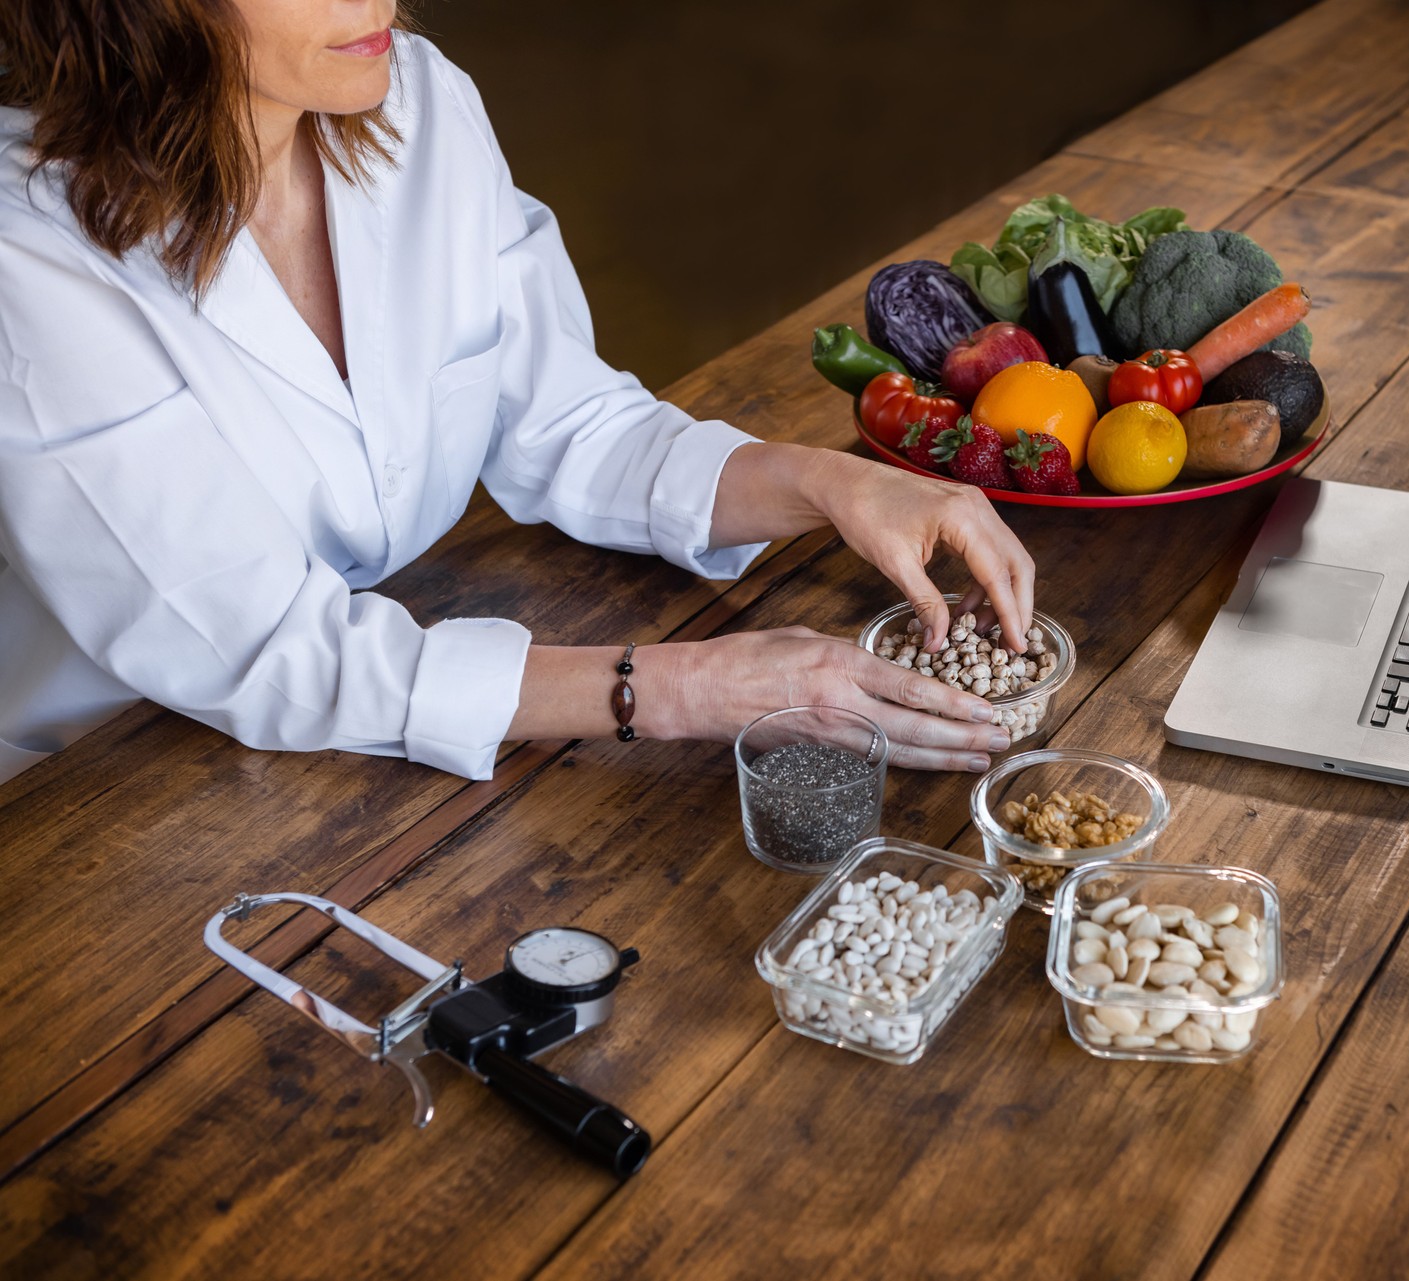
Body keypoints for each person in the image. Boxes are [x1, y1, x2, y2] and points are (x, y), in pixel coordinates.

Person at [0, 1, 1034, 788]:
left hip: (381, 728)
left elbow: (571, 421)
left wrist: (831, 485)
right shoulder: (28, 260)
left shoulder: (413, 102)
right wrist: (685, 686)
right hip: (102, 789)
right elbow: (269, 651)